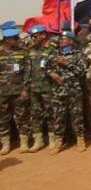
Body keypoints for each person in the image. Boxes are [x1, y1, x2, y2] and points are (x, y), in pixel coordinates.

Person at [46, 31, 87, 154]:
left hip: (73, 90)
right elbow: (47, 68)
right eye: (60, 39)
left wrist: (67, 63)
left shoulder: (78, 55)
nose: (61, 41)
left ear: (70, 40)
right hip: (58, 92)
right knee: (58, 118)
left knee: (77, 117)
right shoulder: (53, 54)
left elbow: (81, 71)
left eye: (63, 39)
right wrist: (51, 73)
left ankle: (80, 139)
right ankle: (59, 141)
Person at [0, 27, 30, 155]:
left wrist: (25, 88)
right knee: (3, 119)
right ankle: (5, 144)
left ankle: (24, 142)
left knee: (22, 116)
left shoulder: (23, 53)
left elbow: (28, 72)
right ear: (7, 40)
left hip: (19, 91)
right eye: (14, 39)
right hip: (2, 92)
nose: (17, 40)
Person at [27, 25, 53, 151]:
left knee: (51, 113)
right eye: (32, 36)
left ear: (43, 35)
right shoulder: (30, 50)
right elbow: (27, 70)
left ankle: (52, 139)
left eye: (35, 36)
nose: (34, 38)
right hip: (33, 88)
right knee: (35, 114)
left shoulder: (51, 50)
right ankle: (39, 140)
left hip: (48, 87)